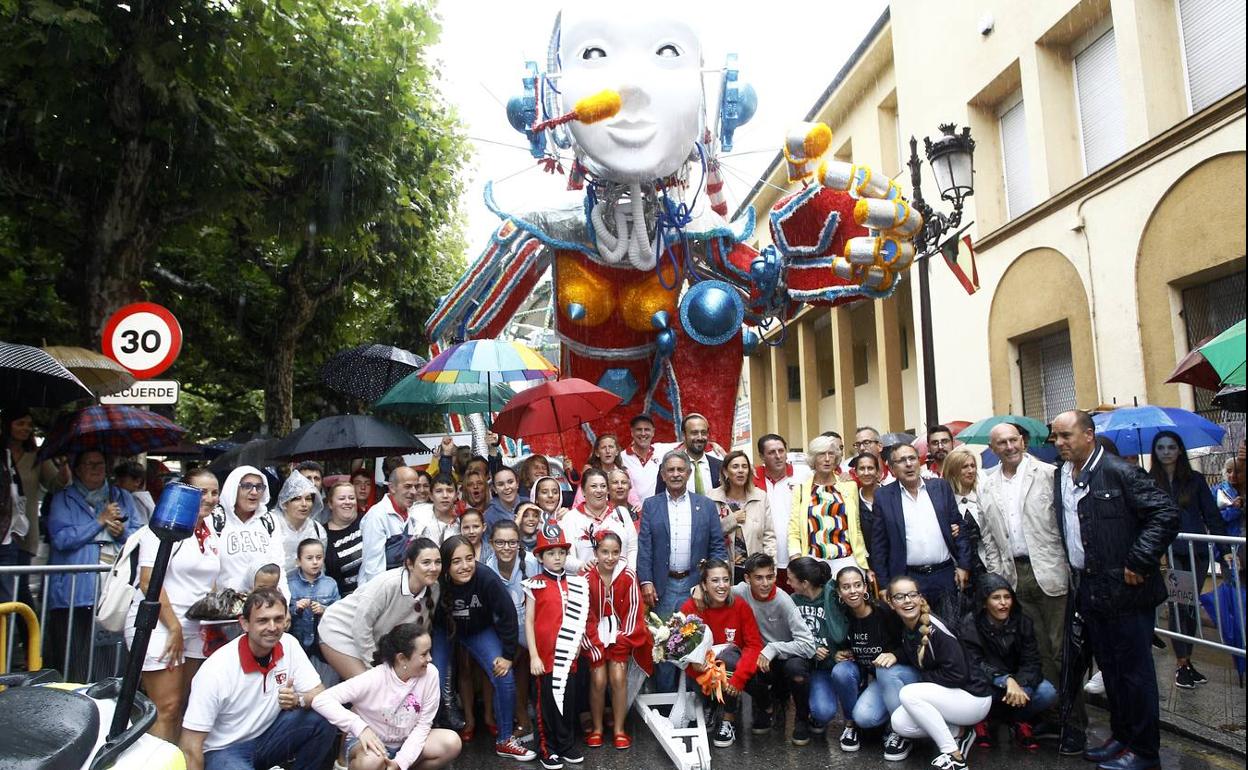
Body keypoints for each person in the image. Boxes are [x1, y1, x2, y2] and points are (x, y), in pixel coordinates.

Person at [1051, 410, 1179, 769]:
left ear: (1088, 435)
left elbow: (1165, 514)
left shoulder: (1120, 471)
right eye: (1055, 438)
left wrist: (1139, 560)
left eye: (1066, 436)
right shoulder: (1063, 474)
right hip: (1089, 589)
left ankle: (1144, 751)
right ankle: (1122, 738)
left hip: (1126, 590)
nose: (1059, 443)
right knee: (1111, 672)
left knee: (1135, 675)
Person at [975, 422, 1075, 740]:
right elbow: (988, 537)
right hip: (1013, 577)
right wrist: (997, 576)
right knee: (1038, 651)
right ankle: (1050, 716)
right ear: (993, 449)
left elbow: (1064, 525)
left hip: (1050, 572)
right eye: (1001, 443)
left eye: (1013, 440)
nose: (1009, 447)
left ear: (1023, 441)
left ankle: (1074, 721)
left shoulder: (1049, 473)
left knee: (1063, 650)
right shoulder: (987, 485)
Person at [180, 588, 335, 770]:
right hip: (223, 751)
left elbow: (320, 693)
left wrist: (298, 699)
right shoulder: (216, 670)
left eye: (278, 619)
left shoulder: (289, 644)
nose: (272, 627)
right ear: (244, 624)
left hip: (268, 738)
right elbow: (190, 745)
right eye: (262, 620)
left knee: (325, 715)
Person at [122, 466, 221, 742]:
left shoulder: (211, 532)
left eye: (215, 493)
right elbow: (148, 581)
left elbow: (208, 581)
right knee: (167, 706)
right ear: (186, 493)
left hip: (194, 628)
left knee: (187, 706)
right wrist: (174, 627)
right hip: (160, 625)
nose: (210, 498)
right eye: (202, 492)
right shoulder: (161, 528)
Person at [46, 449, 142, 681]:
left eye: (100, 464)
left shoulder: (122, 497)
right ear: (77, 469)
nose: (97, 469)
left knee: (111, 651)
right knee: (74, 651)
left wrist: (121, 534)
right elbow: (61, 538)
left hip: (113, 588)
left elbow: (140, 534)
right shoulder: (63, 498)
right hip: (75, 592)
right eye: (90, 464)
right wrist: (99, 521)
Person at [313, 624, 462, 770]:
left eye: (429, 652)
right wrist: (360, 728)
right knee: (373, 761)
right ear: (402, 659)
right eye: (424, 654)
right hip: (371, 744)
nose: (430, 658)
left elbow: (423, 725)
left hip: (405, 742)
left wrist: (400, 762)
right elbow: (321, 700)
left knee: (451, 743)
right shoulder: (374, 678)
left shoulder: (431, 674)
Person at [637, 451, 728, 690]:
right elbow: (645, 547)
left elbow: (717, 546)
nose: (676, 474)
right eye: (671, 470)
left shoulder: (705, 505)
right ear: (663, 475)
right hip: (663, 587)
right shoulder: (651, 505)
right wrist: (646, 581)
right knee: (665, 645)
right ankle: (666, 709)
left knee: (696, 646)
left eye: (680, 470)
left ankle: (697, 702)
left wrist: (707, 584)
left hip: (695, 585)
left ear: (688, 473)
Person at [438, 534, 533, 761]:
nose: (465, 566)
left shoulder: (485, 577)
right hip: (442, 631)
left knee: (503, 674)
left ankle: (505, 739)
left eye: (469, 558)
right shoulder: (436, 579)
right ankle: (428, 735)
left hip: (478, 631)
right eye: (456, 561)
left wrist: (508, 656)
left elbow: (508, 614)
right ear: (445, 565)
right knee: (434, 678)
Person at [1148, 429, 1228, 689]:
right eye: (1161, 448)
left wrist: (1225, 549)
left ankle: (1188, 660)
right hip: (1170, 554)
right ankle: (1181, 663)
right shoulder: (1150, 482)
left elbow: (1212, 516)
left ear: (1179, 450)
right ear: (1155, 452)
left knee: (1190, 606)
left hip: (1197, 552)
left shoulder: (1194, 480)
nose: (1166, 452)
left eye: (1171, 447)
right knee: (1179, 605)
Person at [887, 576, 992, 770]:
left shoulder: (936, 629)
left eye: (912, 594)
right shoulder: (908, 627)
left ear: (921, 598)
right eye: (900, 596)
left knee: (909, 693)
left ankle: (954, 756)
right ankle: (960, 732)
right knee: (899, 722)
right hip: (952, 697)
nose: (907, 601)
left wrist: (921, 682)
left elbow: (958, 675)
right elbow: (916, 653)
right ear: (891, 603)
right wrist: (895, 655)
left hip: (974, 697)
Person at [318, 538, 445, 682]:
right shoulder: (388, 584)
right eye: (426, 562)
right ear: (410, 564)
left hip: (372, 639)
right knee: (370, 688)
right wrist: (376, 665)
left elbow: (419, 632)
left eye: (438, 562)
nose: (433, 568)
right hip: (340, 630)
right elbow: (361, 627)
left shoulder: (434, 588)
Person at [828, 565, 920, 759]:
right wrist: (839, 654)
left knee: (886, 670)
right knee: (862, 714)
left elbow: (911, 644)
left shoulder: (884, 612)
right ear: (838, 591)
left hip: (899, 674)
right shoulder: (842, 616)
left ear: (865, 587)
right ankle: (852, 725)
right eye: (846, 587)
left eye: (857, 585)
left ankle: (900, 731)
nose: (853, 591)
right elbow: (841, 644)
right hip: (875, 677)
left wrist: (896, 655)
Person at [871, 443, 971, 620]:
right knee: (917, 634)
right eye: (902, 461)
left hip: (945, 575)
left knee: (950, 630)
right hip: (908, 578)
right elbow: (879, 545)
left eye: (912, 458)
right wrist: (885, 585)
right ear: (892, 468)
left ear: (919, 461)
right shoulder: (884, 497)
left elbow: (959, 527)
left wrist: (963, 565)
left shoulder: (940, 487)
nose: (908, 464)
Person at [960, 574, 1058, 752]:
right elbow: (974, 663)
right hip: (988, 683)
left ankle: (1019, 721)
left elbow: (1032, 661)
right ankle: (982, 720)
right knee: (971, 690)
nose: (1003, 603)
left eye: (1007, 597)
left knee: (1047, 692)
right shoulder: (970, 623)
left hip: (1017, 685)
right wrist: (1005, 680)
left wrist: (1020, 686)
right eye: (996, 598)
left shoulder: (1023, 621)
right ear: (984, 602)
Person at [730, 553, 817, 745]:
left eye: (770, 577)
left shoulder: (784, 601)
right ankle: (766, 706)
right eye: (759, 578)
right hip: (762, 656)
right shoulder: (741, 591)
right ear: (747, 579)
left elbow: (808, 645)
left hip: (789, 654)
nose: (765, 583)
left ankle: (802, 718)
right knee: (737, 666)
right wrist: (698, 590)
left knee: (796, 670)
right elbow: (717, 590)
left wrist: (774, 648)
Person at [525, 521, 590, 768]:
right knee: (546, 703)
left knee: (566, 700)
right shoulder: (534, 584)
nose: (557, 558)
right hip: (544, 656)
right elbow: (529, 622)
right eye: (550, 553)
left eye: (561, 552)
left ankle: (565, 744)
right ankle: (546, 747)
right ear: (540, 557)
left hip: (568, 656)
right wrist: (533, 656)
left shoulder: (575, 582)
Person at [680, 558, 765, 749]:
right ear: (703, 585)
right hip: (703, 672)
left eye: (726, 580)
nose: (722, 586)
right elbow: (680, 648)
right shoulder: (691, 608)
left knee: (728, 657)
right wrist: (694, 664)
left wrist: (739, 679)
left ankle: (728, 718)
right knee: (708, 664)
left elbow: (753, 645)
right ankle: (710, 704)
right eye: (715, 581)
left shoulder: (740, 606)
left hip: (732, 669)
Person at [582, 531, 652, 750]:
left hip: (620, 633)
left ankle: (619, 729)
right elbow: (585, 614)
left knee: (619, 676)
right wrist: (593, 643)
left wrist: (623, 640)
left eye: (615, 552)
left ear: (621, 553)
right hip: (595, 635)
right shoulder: (586, 578)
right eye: (604, 552)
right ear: (596, 553)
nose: (610, 558)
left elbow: (634, 612)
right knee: (599, 679)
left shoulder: (628, 576)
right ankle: (597, 728)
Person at [785, 557, 850, 746]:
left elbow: (841, 631)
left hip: (837, 663)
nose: (787, 583)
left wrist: (836, 651)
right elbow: (789, 635)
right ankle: (813, 714)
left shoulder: (833, 596)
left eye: (791, 579)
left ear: (804, 583)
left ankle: (853, 723)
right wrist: (812, 648)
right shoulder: (793, 601)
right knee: (823, 712)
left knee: (843, 674)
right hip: (816, 668)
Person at [485, 520, 540, 740]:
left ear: (519, 544)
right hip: (502, 632)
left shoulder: (532, 564)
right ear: (491, 543)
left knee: (523, 663)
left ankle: (528, 719)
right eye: (500, 542)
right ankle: (507, 718)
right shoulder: (487, 569)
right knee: (502, 665)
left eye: (512, 542)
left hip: (530, 629)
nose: (506, 547)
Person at [789, 434, 870, 579]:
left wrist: (864, 563)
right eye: (821, 454)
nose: (827, 459)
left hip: (847, 559)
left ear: (837, 458)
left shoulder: (849, 486)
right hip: (814, 561)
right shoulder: (801, 490)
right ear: (813, 459)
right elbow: (794, 529)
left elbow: (856, 526)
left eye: (831, 454)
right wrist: (796, 558)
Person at [216, 466, 288, 598]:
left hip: (263, 608)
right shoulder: (216, 520)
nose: (254, 492)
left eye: (259, 487)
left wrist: (284, 604)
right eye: (247, 486)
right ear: (233, 488)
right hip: (225, 610)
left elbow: (279, 567)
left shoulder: (269, 521)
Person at [708, 450, 774, 583]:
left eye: (744, 467)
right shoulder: (711, 497)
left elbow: (769, 536)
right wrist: (731, 520)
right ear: (726, 472)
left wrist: (772, 568)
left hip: (755, 569)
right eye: (735, 466)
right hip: (724, 570)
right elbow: (707, 534)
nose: (740, 471)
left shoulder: (760, 496)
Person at [559, 467, 638, 571]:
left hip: (622, 581)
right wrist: (582, 566)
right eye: (593, 486)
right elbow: (565, 557)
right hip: (586, 582)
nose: (599, 490)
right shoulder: (570, 518)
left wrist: (630, 571)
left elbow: (632, 548)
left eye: (603, 486)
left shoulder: (621, 513)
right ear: (583, 491)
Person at [359, 466, 422, 586]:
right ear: (392, 487)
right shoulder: (377, 515)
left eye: (416, 486)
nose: (414, 491)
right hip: (379, 590)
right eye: (408, 486)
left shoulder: (413, 513)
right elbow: (373, 567)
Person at [288, 539, 340, 659]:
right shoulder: (289, 584)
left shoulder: (330, 584)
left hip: (322, 642)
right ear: (298, 561)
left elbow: (338, 612)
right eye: (309, 558)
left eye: (319, 557)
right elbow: (283, 612)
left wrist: (324, 610)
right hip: (297, 641)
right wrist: (296, 608)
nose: (315, 562)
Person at [942, 448, 986, 582]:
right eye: (964, 467)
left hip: (986, 566)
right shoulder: (944, 502)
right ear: (953, 470)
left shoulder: (984, 496)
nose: (971, 470)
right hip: (957, 571)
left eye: (973, 466)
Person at [273, 470, 327, 574]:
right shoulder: (272, 525)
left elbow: (321, 567)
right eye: (297, 499)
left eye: (308, 499)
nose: (304, 504)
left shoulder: (317, 529)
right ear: (284, 503)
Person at [658, 414, 721, 496]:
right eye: (694, 433)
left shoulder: (720, 466)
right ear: (684, 435)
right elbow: (659, 502)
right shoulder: (668, 467)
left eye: (703, 432)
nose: (700, 437)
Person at [324, 481, 364, 597]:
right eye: (341, 498)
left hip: (373, 595)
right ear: (330, 504)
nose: (347, 502)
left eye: (351, 498)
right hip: (342, 601)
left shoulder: (367, 521)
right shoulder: (322, 534)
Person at [620, 414, 663, 501]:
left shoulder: (662, 451)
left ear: (653, 432)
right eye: (639, 430)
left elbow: (684, 445)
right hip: (631, 511)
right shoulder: (621, 458)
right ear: (632, 432)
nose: (643, 433)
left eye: (647, 429)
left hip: (657, 510)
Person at [410, 476, 461, 546]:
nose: (445, 495)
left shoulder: (462, 521)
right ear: (431, 496)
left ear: (456, 495)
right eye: (439, 491)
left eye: (450, 491)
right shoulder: (416, 513)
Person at [850, 452, 882, 547]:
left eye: (870, 468)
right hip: (865, 558)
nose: (866, 473)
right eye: (862, 469)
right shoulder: (852, 501)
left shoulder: (891, 496)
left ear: (877, 472)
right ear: (855, 473)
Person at [113, 459, 154, 525]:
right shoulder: (144, 497)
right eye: (116, 480)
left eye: (122, 481)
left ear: (137, 481)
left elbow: (140, 525)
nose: (117, 484)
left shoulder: (136, 499)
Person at [484, 466, 523, 535]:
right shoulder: (489, 515)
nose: (507, 487)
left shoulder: (529, 503)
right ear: (494, 489)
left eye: (510, 482)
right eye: (501, 484)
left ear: (517, 483)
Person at [1214, 457, 1243, 536]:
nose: (1233, 475)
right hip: (1226, 538)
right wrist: (1234, 509)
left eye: (1237, 471)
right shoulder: (1219, 491)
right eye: (1229, 471)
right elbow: (1213, 517)